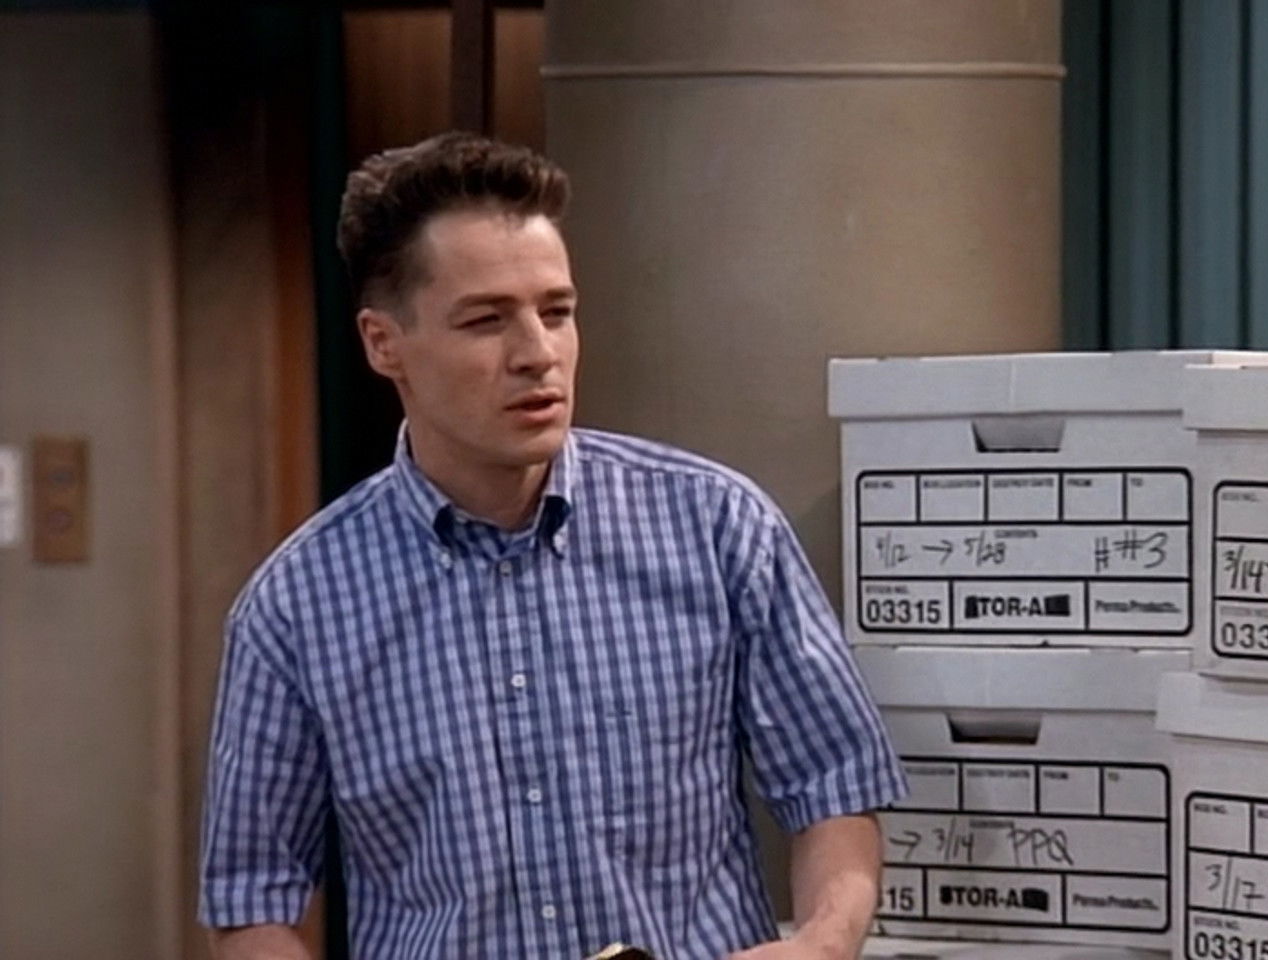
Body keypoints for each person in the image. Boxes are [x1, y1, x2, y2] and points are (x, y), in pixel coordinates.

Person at [199, 132, 906, 960]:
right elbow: (251, 896)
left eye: (557, 312)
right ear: (384, 343)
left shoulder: (715, 525)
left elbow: (833, 782)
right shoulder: (298, 605)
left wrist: (823, 942)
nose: (538, 354)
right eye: (485, 321)